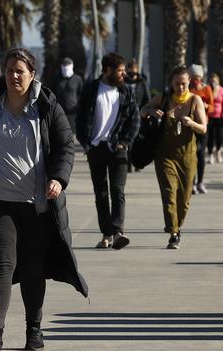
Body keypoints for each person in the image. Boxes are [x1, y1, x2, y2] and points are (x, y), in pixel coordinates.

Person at [0, 48, 88, 351]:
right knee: (1, 264)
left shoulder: (47, 106)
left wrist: (58, 179)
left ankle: (33, 329)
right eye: (9, 70)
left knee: (32, 266)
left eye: (20, 71)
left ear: (32, 75)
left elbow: (65, 146)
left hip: (36, 203)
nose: (13, 76)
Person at [75, 53, 140, 250]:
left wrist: (125, 142)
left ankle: (118, 231)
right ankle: (106, 234)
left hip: (117, 148)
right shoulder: (91, 89)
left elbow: (134, 120)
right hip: (96, 148)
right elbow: (80, 119)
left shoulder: (126, 91)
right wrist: (86, 144)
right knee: (101, 193)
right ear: (108, 70)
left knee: (117, 190)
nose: (124, 75)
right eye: (119, 71)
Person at [140, 66, 207, 249]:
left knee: (183, 200)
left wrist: (192, 123)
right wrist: (151, 112)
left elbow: (204, 128)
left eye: (184, 84)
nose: (180, 88)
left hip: (187, 157)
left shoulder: (195, 101)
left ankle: (178, 226)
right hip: (165, 156)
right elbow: (143, 111)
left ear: (189, 83)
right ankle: (173, 232)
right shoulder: (163, 98)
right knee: (169, 194)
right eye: (177, 84)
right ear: (171, 83)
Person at [188, 64, 213, 194]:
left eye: (198, 78)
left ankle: (200, 182)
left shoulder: (206, 89)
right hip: (191, 125)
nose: (196, 81)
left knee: (201, 154)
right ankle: (192, 183)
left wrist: (205, 105)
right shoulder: (187, 89)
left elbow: (213, 107)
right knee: (191, 154)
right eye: (193, 78)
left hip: (203, 125)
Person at [125, 59, 150, 172]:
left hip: (140, 114)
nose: (132, 75)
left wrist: (147, 111)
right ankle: (129, 163)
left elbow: (147, 99)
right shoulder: (124, 82)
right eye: (130, 72)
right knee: (129, 140)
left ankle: (137, 163)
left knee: (138, 140)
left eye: (134, 73)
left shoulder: (142, 83)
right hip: (127, 115)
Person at [50, 57, 83, 134]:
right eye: (64, 66)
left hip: (72, 112)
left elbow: (80, 94)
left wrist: (78, 107)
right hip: (59, 111)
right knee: (59, 133)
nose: (65, 68)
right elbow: (51, 92)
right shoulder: (56, 78)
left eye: (67, 66)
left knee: (71, 134)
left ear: (72, 66)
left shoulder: (78, 79)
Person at [206, 73, 223, 164]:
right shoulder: (207, 90)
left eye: (215, 81)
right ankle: (211, 155)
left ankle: (218, 151)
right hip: (209, 117)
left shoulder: (222, 90)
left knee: (219, 137)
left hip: (219, 117)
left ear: (218, 81)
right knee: (210, 137)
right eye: (211, 80)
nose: (213, 82)